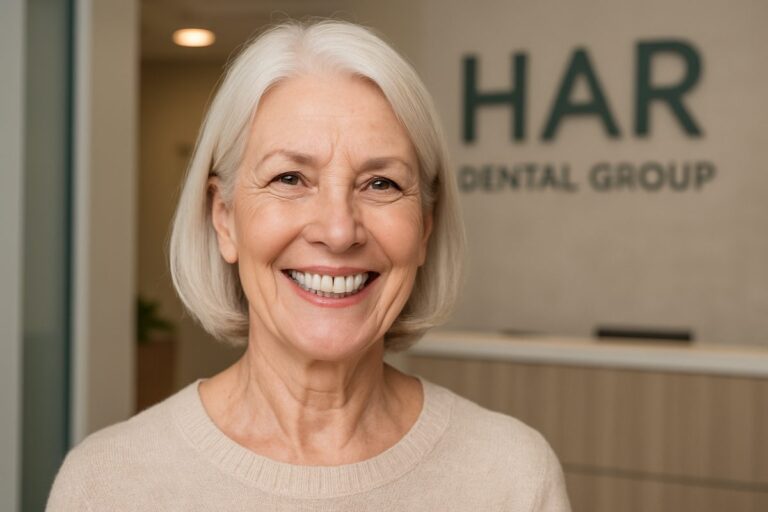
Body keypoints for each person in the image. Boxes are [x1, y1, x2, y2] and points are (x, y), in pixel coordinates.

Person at [47, 19, 571, 511]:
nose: (339, 230)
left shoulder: (511, 477)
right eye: (290, 179)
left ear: (425, 228)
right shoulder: (108, 485)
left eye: (381, 183)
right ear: (224, 218)